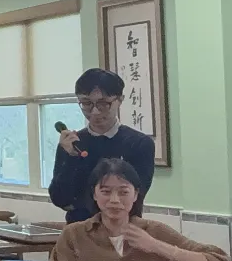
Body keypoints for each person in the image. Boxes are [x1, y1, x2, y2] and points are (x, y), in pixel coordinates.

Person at [48, 158, 229, 261]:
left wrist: (156, 246)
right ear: (94, 194)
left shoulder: (156, 232)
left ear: (135, 194)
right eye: (105, 191)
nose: (114, 200)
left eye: (123, 192)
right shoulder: (74, 235)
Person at [49, 69, 155, 223]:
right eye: (86, 103)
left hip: (124, 230)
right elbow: (60, 199)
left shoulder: (139, 143)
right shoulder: (71, 144)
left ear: (120, 100)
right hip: (78, 231)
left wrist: (79, 202)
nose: (95, 111)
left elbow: (132, 198)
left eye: (103, 103)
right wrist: (71, 159)